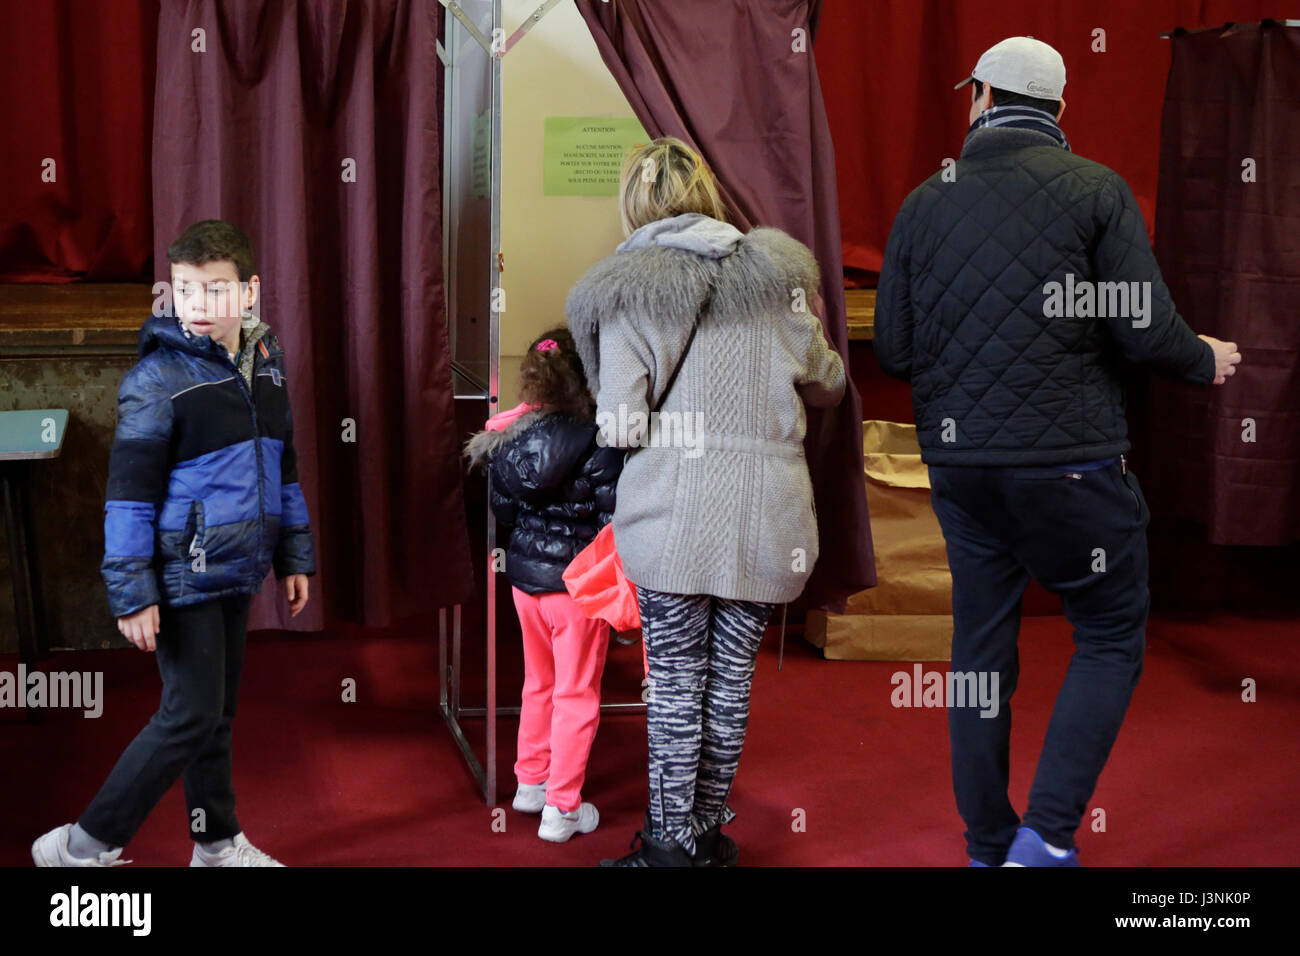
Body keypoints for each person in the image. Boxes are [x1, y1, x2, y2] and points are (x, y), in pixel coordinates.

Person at [874, 37, 1242, 867]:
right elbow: (1144, 328)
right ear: (1058, 110)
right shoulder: (1097, 191)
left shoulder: (927, 199)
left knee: (978, 657)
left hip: (962, 471)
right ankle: (1046, 837)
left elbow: (893, 351)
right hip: (1071, 466)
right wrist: (1203, 357)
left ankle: (986, 843)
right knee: (1110, 633)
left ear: (984, 98)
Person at [566, 136, 846, 866]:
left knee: (675, 686)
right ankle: (706, 833)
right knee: (730, 684)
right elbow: (829, 380)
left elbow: (621, 422)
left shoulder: (634, 288)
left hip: (673, 517)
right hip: (769, 519)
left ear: (634, 204)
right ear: (709, 194)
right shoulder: (778, 276)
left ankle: (668, 847)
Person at [31, 220, 316, 867]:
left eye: (215, 290)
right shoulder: (156, 379)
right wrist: (132, 593)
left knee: (216, 715)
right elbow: (127, 498)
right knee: (188, 715)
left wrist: (293, 552)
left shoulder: (266, 364)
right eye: (185, 290)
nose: (198, 306)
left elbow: (285, 465)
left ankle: (215, 844)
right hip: (182, 571)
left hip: (238, 566)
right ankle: (82, 846)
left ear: (250, 292)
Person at [463, 328, 625, 843]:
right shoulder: (600, 437)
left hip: (524, 582)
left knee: (539, 683)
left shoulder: (506, 436)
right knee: (577, 695)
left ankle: (529, 783)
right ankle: (563, 809)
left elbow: (504, 510)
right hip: (576, 587)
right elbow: (613, 515)